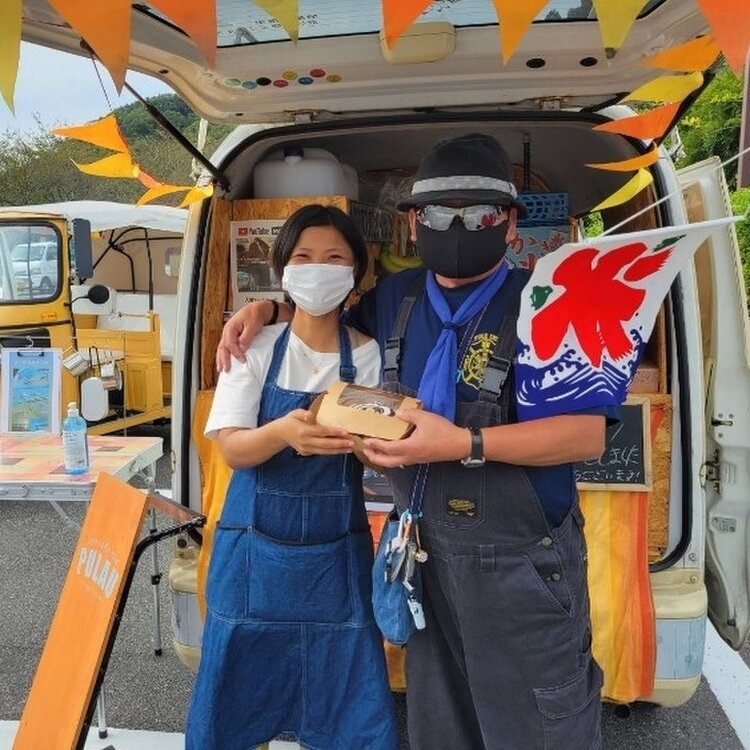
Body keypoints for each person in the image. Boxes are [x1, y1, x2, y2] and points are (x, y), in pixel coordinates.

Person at [217, 134, 611, 750]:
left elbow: (586, 435)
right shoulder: (394, 300)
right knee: (441, 724)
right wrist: (263, 310)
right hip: (422, 557)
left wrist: (464, 443)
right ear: (411, 224)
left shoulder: (552, 302)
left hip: (520, 565)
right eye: (437, 214)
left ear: (510, 224)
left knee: (533, 726)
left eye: (478, 215)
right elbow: (318, 315)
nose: (456, 227)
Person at [187, 204, 398, 750]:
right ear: (283, 269)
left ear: (356, 272)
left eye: (334, 257)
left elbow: (371, 451)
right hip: (252, 555)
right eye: (303, 257)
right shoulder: (253, 346)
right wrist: (283, 432)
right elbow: (233, 449)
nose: (318, 268)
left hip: (336, 557)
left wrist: (373, 448)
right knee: (236, 699)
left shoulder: (367, 354)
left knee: (344, 700)